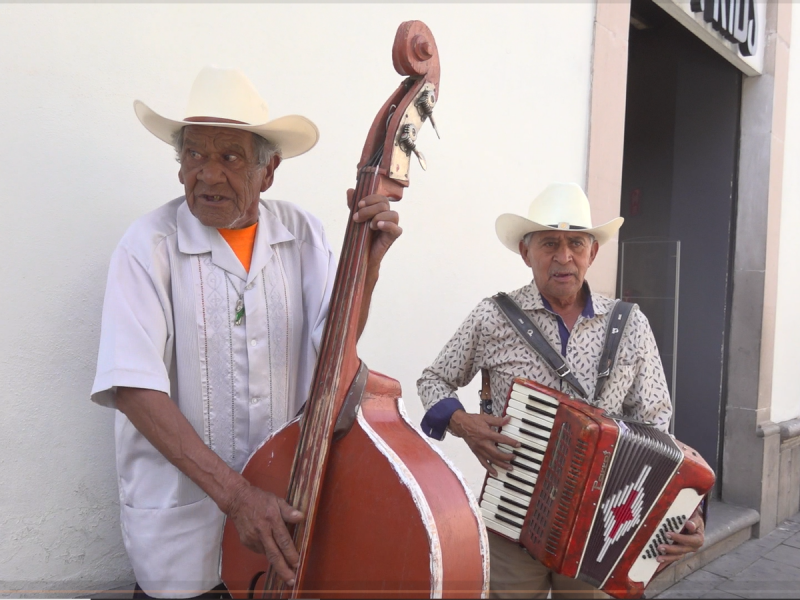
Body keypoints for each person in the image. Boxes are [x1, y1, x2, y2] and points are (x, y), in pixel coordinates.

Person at [91, 66, 402, 599]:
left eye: (229, 157)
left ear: (268, 171)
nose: (207, 174)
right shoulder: (147, 246)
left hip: (283, 525)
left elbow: (337, 355)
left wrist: (366, 268)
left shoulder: (304, 235)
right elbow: (134, 389)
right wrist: (237, 498)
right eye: (193, 154)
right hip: (182, 544)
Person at [416, 182, 705, 599]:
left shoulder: (631, 323)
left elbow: (658, 425)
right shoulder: (492, 317)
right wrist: (462, 423)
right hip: (513, 523)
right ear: (525, 252)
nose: (564, 256)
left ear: (593, 252)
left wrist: (681, 513)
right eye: (550, 243)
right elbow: (433, 379)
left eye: (576, 244)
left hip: (605, 529)